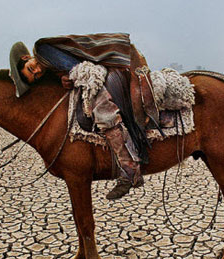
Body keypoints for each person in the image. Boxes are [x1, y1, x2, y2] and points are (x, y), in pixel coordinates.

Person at [9, 33, 145, 200]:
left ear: (26, 57)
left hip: (94, 72)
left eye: (31, 68)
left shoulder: (42, 50)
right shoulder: (48, 64)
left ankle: (130, 168)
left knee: (104, 113)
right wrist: (64, 78)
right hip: (91, 71)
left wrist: (69, 76)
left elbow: (79, 68)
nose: (37, 71)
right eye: (35, 75)